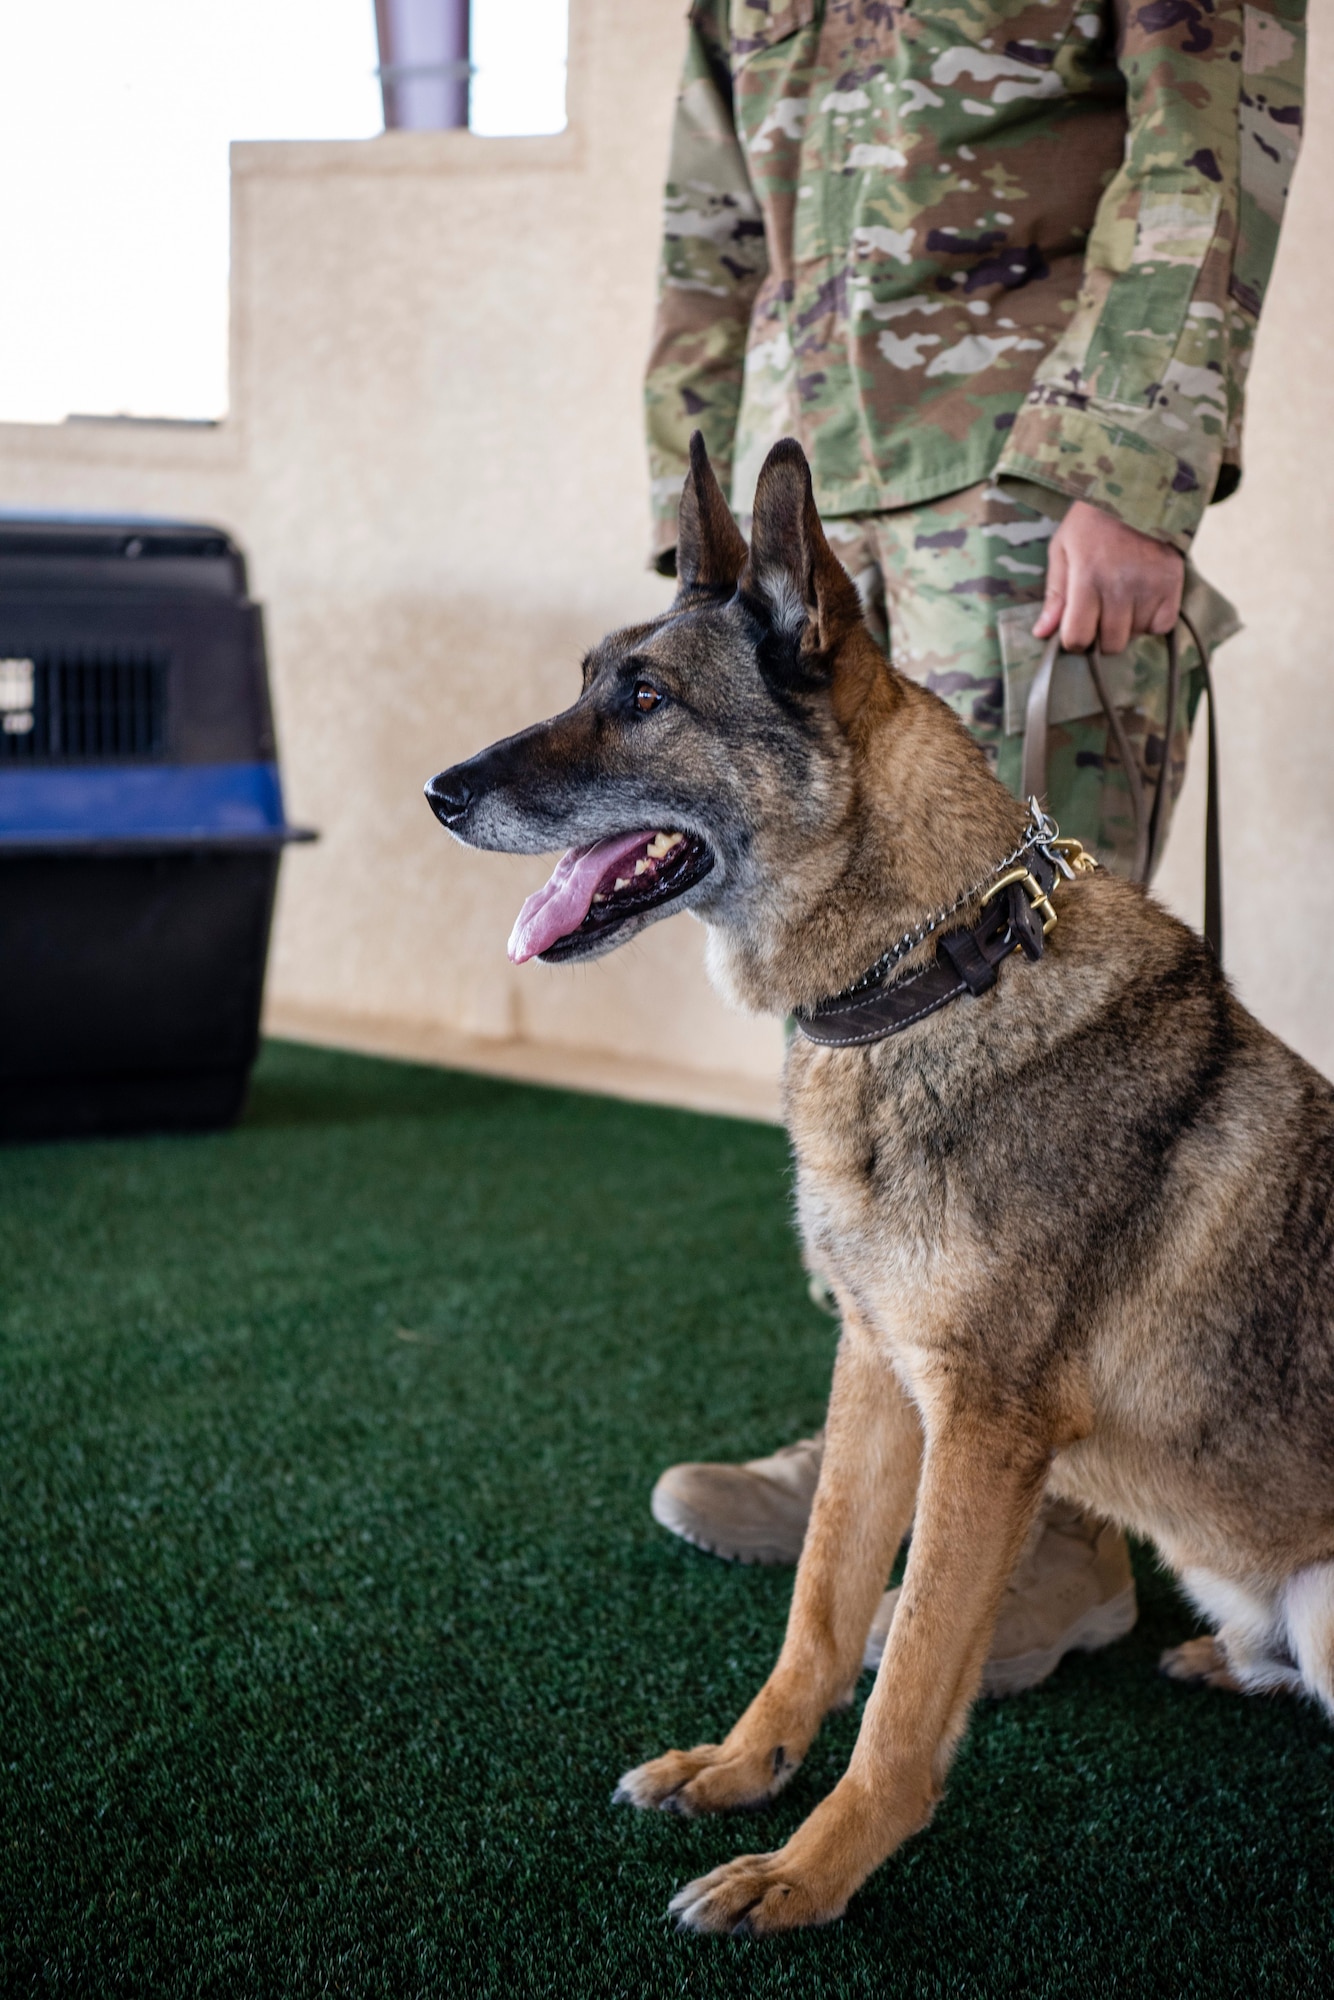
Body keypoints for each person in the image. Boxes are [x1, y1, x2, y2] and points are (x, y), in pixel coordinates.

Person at [642, 0, 1306, 1691]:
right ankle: (893, 1451)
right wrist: (692, 532)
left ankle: (1062, 1546)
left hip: (1032, 499)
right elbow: (709, 215)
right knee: (858, 1022)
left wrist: (1131, 469)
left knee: (1046, 1059)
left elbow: (1205, 118)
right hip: (820, 519)